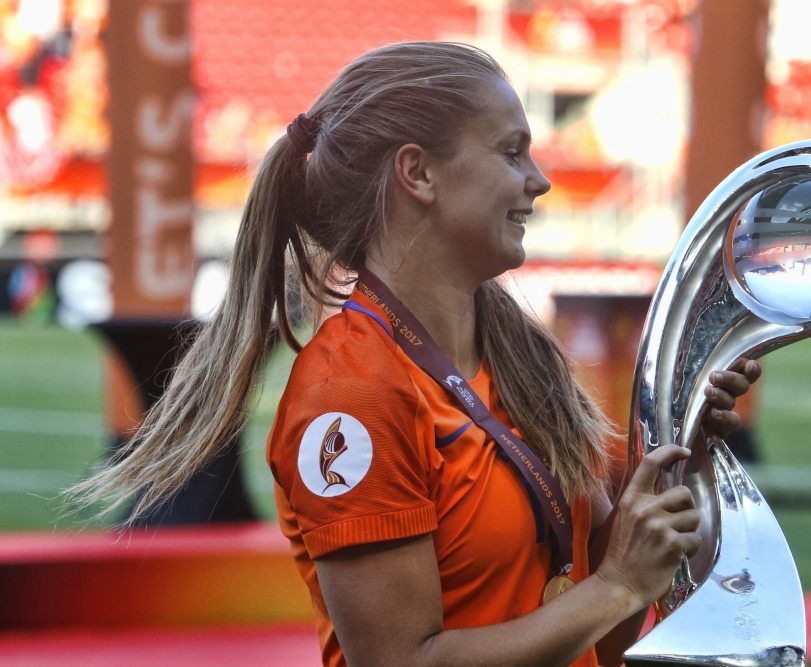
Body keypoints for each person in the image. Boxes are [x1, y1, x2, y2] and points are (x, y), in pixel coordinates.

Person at [68, 42, 761, 666]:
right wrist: (615, 586)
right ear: (418, 173)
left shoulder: (522, 353)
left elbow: (597, 616)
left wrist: (682, 448)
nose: (539, 180)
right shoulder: (351, 395)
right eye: (511, 152)